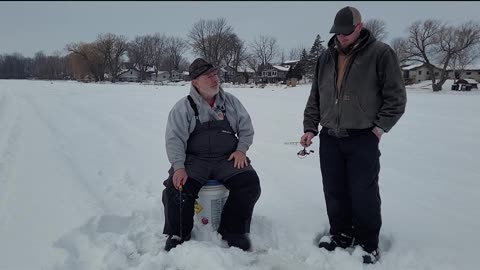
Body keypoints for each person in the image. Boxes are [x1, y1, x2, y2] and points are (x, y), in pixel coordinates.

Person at [300, 6, 407, 264]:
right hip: (330, 137)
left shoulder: (380, 53)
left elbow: (396, 97)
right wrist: (310, 127)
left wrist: (378, 129)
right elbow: (316, 96)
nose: (342, 37)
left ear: (360, 27)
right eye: (338, 32)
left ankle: (368, 244)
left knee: (363, 192)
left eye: (347, 32)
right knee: (334, 190)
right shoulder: (326, 57)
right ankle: (341, 234)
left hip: (363, 137)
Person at [162, 58, 261, 252]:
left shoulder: (231, 102)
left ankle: (232, 231)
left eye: (215, 74)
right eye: (208, 76)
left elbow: (246, 129)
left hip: (227, 158)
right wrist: (179, 168)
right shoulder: (183, 107)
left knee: (249, 184)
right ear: (195, 82)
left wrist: (241, 150)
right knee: (177, 189)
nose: (215, 79)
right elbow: (174, 140)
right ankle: (179, 233)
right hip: (195, 160)